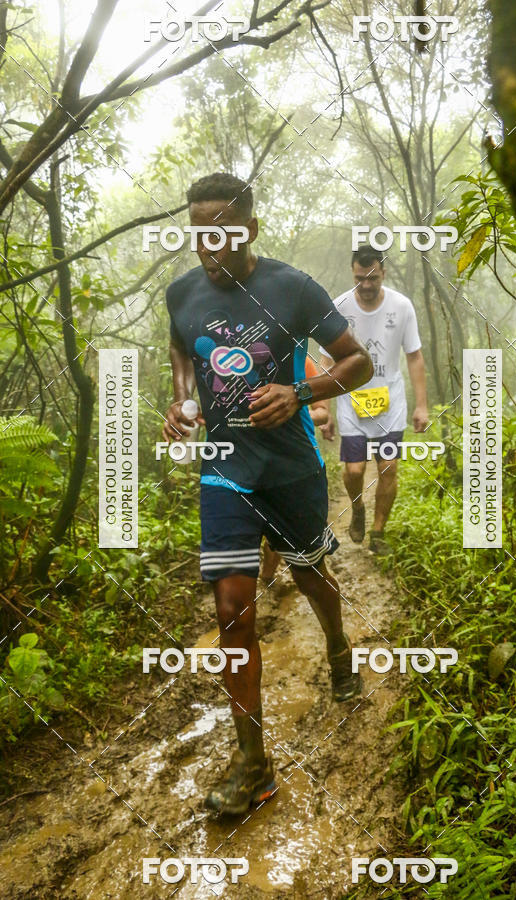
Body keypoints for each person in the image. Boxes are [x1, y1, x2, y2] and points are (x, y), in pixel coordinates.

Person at [162, 173, 373, 815]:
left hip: (288, 469)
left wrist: (300, 393)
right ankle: (254, 766)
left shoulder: (292, 288)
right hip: (224, 469)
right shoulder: (181, 292)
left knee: (312, 577)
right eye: (198, 234)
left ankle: (337, 646)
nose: (208, 247)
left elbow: (357, 362)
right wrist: (182, 401)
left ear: (250, 229)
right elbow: (181, 349)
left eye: (222, 233)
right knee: (233, 610)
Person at [320, 246, 428, 555]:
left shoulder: (402, 306)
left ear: (383, 272)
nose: (366, 285)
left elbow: (415, 356)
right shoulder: (338, 306)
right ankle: (357, 508)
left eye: (372, 278)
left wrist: (421, 405)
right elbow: (327, 361)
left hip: (390, 401)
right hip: (351, 401)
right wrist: (324, 409)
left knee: (388, 468)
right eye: (359, 279)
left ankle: (378, 533)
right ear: (352, 274)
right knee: (354, 471)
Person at [260, 356, 334, 583]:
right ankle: (266, 579)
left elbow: (322, 413)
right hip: (251, 462)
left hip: (295, 463)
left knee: (288, 537)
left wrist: (292, 411)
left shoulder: (303, 362)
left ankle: (269, 577)